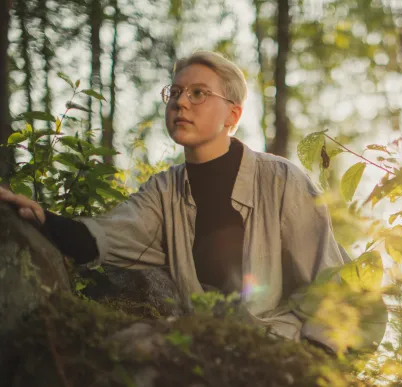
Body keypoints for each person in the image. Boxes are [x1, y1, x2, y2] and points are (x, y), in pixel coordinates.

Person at [0, 51, 348, 354]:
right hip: (209, 351)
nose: (181, 102)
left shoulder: (281, 180)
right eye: (176, 92)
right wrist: (40, 217)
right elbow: (102, 237)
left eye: (198, 93)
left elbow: (331, 281)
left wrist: (318, 362)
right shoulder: (163, 191)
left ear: (232, 116)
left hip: (288, 349)